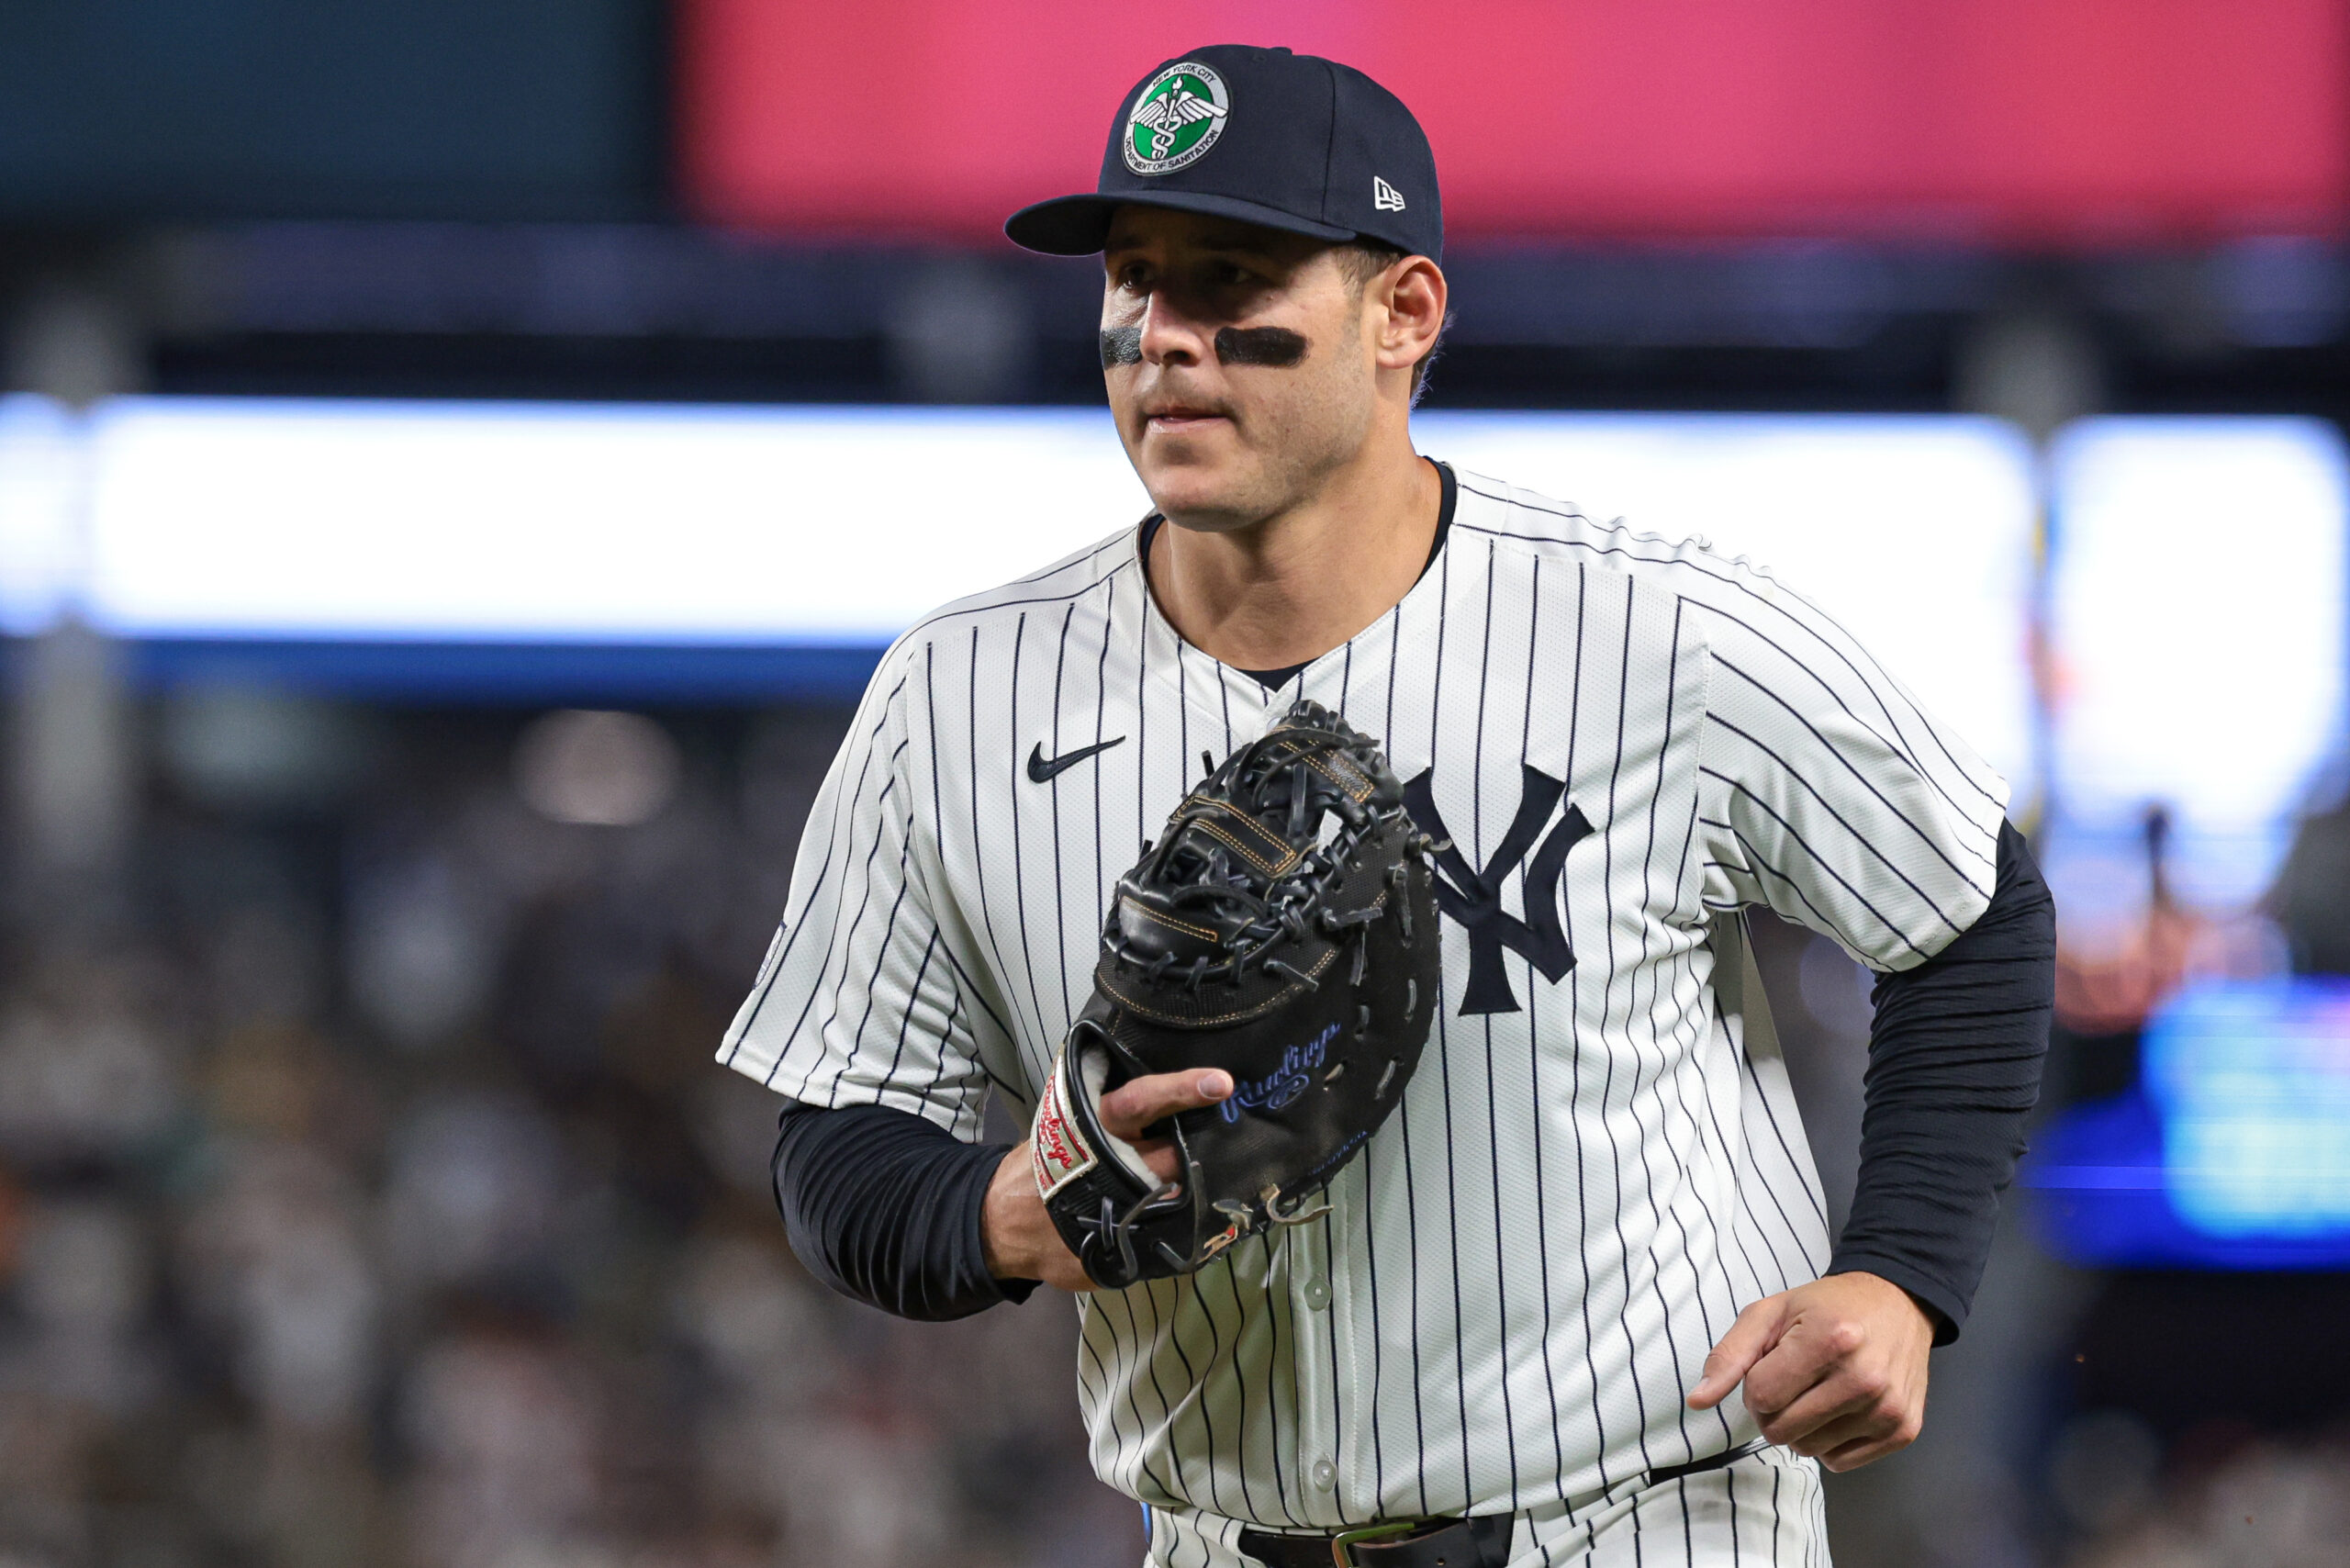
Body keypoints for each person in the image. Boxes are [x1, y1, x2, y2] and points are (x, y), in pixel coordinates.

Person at [721, 43, 2054, 1567]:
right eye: (1136, 280)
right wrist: (1002, 1216)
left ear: (1403, 314)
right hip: (1224, 1535)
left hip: (1642, 1521)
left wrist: (1900, 1277)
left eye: (1230, 278)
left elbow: (1972, 912)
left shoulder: (1658, 632)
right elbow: (836, 1144)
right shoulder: (959, 692)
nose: (1164, 337)